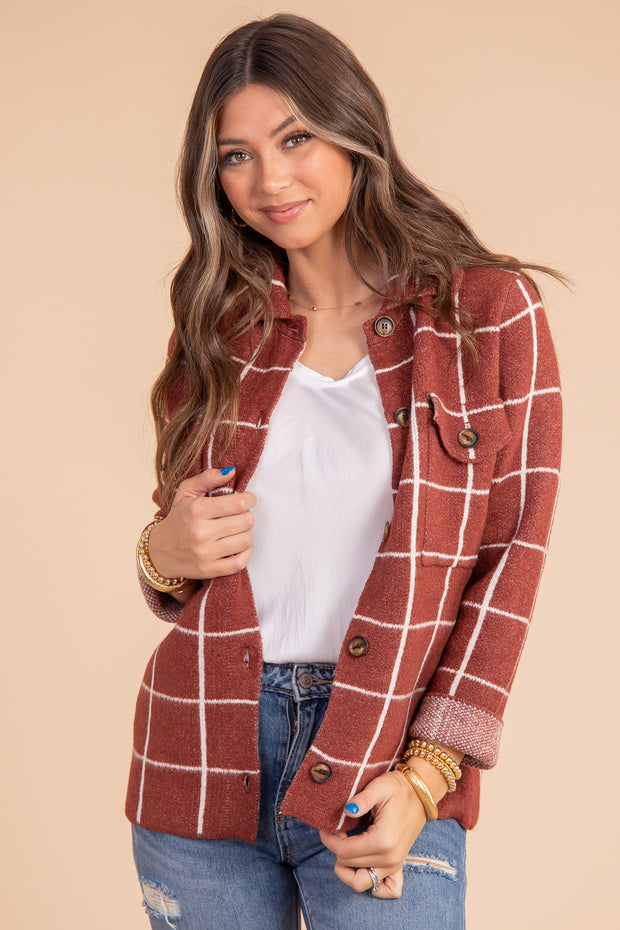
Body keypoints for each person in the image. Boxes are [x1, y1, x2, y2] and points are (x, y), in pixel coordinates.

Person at [126, 13, 562, 930]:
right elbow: (180, 557)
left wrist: (429, 772)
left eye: (295, 139)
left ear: (355, 132)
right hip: (201, 752)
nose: (270, 179)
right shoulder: (214, 326)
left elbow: (510, 560)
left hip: (386, 753)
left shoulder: (486, 314)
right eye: (236, 155)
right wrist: (160, 553)